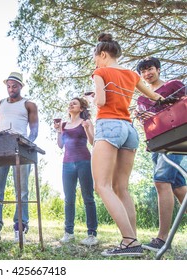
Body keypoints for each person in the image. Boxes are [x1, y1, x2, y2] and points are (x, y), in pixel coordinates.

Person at [90, 33, 164, 257]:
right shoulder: (132, 74)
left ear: (103, 54)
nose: (95, 62)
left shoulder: (100, 72)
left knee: (101, 186)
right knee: (121, 187)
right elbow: (155, 96)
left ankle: (129, 241)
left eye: (95, 57)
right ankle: (133, 241)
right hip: (129, 130)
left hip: (109, 125)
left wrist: (94, 95)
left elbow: (101, 102)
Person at [136, 57, 187, 252]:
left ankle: (162, 239)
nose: (147, 74)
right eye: (143, 72)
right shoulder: (142, 98)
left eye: (150, 69)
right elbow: (146, 121)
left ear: (158, 69)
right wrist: (141, 116)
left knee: (161, 181)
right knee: (179, 187)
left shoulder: (175, 85)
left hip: (176, 137)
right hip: (156, 142)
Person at [0, 71, 39, 242]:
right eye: (8, 86)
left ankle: (20, 227)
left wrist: (28, 143)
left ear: (21, 86)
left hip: (20, 147)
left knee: (22, 190)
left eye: (14, 86)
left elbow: (34, 129)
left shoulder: (29, 104)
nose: (11, 88)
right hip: (1, 147)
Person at [54, 97, 98, 246]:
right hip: (67, 164)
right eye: (70, 102)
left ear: (81, 109)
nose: (71, 104)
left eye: (75, 103)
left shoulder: (86, 122)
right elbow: (60, 145)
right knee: (69, 199)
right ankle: (69, 233)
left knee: (88, 198)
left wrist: (86, 129)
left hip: (84, 161)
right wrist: (58, 131)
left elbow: (93, 142)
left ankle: (92, 234)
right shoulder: (64, 125)